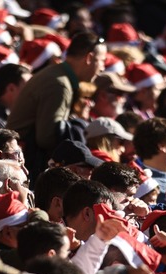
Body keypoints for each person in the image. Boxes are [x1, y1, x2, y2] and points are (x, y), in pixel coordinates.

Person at [8, 32, 106, 178]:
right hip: (20, 164)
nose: (103, 68)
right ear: (89, 58)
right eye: (102, 61)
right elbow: (46, 138)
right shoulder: (60, 84)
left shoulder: (58, 76)